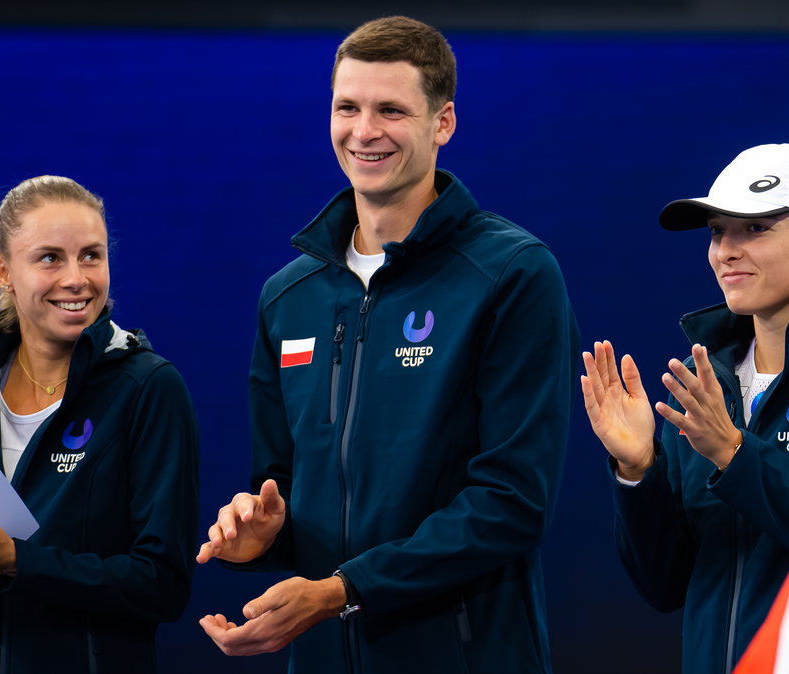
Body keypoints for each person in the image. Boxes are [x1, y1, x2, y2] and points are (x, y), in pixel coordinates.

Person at [196, 16, 577, 673]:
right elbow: (281, 482)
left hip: (465, 654)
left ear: (444, 123)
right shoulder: (290, 296)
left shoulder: (512, 274)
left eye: (390, 110)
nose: (364, 131)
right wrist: (260, 534)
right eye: (347, 107)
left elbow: (512, 504)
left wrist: (345, 590)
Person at [582, 144, 789, 673]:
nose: (725, 251)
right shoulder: (701, 384)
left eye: (755, 228)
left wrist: (735, 455)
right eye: (718, 231)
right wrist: (638, 471)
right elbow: (665, 586)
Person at [0, 175, 200, 673]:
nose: (77, 278)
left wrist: (17, 561)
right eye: (50, 257)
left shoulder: (148, 388)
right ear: (4, 271)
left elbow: (162, 585)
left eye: (92, 256)